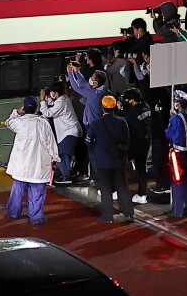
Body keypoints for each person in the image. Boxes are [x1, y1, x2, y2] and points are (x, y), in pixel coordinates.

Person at [4, 97, 57, 225]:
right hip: (39, 165)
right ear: (36, 109)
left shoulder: (20, 122)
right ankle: (36, 217)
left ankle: (13, 213)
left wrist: (16, 112)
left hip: (21, 165)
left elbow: (9, 122)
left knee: (17, 191)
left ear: (24, 109)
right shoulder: (44, 124)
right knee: (37, 193)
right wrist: (55, 158)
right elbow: (51, 143)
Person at [86, 95, 133, 223]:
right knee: (122, 187)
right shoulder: (122, 122)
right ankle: (128, 214)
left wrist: (95, 152)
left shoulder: (96, 124)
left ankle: (107, 216)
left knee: (105, 189)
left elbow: (88, 141)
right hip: (119, 160)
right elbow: (127, 140)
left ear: (102, 107)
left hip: (102, 161)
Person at [163, 91, 187, 218]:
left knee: (177, 181)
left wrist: (169, 122)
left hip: (177, 153)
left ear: (178, 103)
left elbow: (171, 135)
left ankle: (177, 210)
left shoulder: (176, 119)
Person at [40, 82, 81, 184]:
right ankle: (67, 173)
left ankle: (66, 177)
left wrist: (42, 100)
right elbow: (51, 105)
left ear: (56, 93)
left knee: (59, 153)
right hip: (68, 132)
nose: (51, 95)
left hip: (70, 132)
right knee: (65, 154)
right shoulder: (62, 99)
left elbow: (48, 113)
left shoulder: (61, 102)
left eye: (52, 93)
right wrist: (46, 100)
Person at [122, 89, 151, 205]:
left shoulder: (133, 112)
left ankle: (116, 190)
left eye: (128, 99)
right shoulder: (146, 106)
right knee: (141, 169)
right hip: (146, 143)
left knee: (120, 165)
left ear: (133, 100)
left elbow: (123, 122)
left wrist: (119, 111)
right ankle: (142, 193)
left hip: (134, 143)